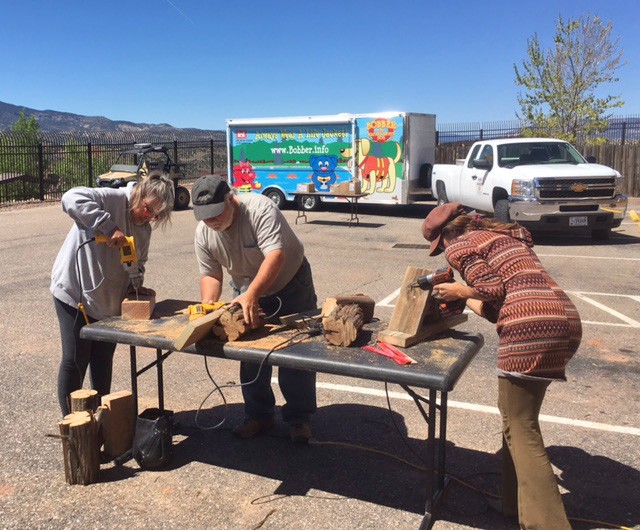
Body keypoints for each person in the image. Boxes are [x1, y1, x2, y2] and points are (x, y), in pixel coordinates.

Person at [421, 202, 581, 529]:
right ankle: (514, 505)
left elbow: (492, 288)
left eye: (441, 245)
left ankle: (546, 525)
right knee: (517, 418)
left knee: (520, 427)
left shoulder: (461, 245)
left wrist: (459, 288)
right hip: (564, 321)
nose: (446, 252)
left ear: (448, 234)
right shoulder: (504, 239)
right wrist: (465, 298)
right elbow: (501, 301)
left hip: (530, 329)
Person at [191, 174, 317, 443]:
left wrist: (253, 294)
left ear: (230, 198)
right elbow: (211, 274)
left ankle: (299, 419)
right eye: (205, 216)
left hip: (291, 282)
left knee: (297, 352)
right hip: (246, 287)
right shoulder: (204, 232)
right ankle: (259, 415)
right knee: (249, 355)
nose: (211, 221)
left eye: (215, 213)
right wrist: (209, 307)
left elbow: (276, 255)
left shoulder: (260, 208)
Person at [51, 173, 174, 416]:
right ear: (140, 193)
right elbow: (70, 198)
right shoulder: (112, 199)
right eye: (147, 208)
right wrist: (108, 226)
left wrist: (135, 286)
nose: (148, 217)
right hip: (76, 295)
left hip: (109, 303)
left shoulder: (144, 230)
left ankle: (100, 419)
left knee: (102, 359)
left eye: (155, 215)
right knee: (76, 359)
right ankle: (73, 426)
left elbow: (137, 264)